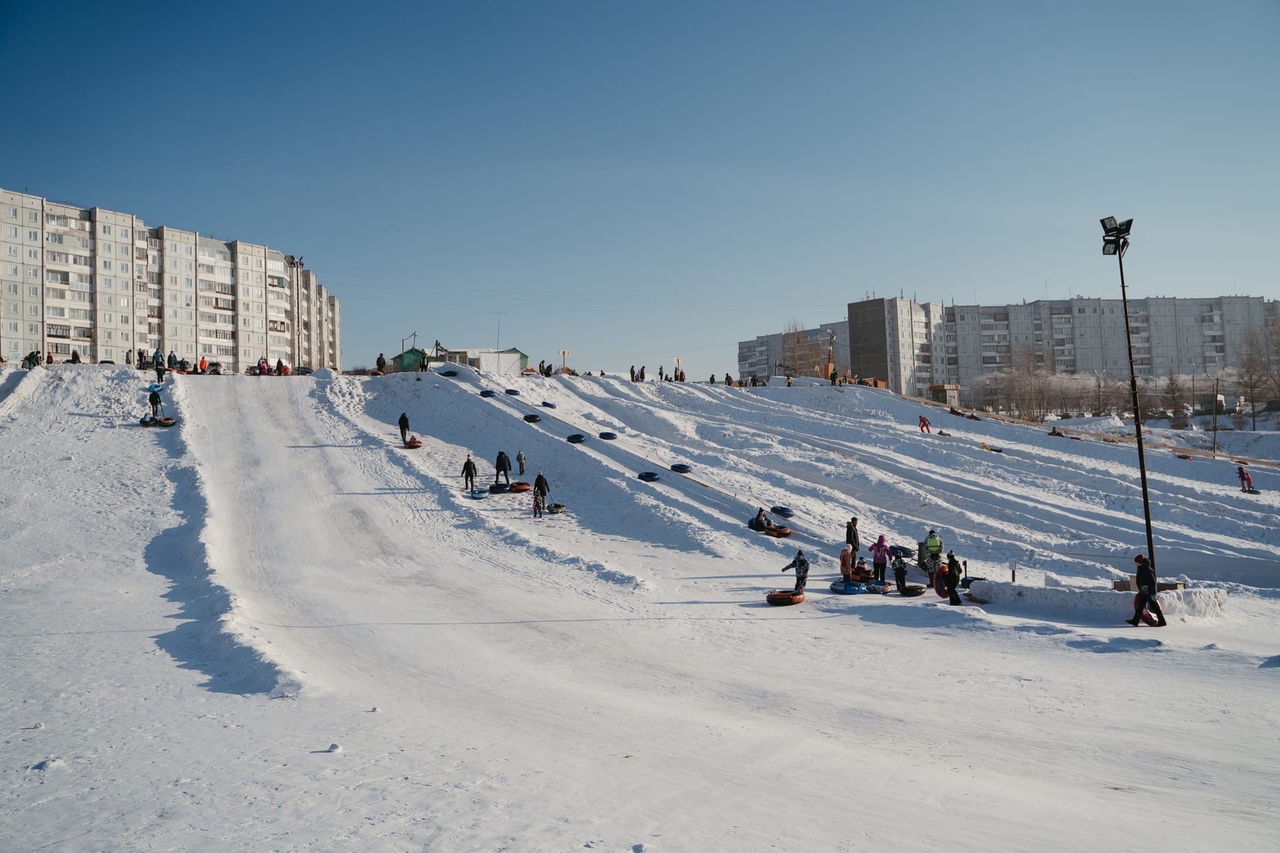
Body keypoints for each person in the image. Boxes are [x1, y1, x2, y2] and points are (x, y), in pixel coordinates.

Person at [1127, 554, 1167, 627]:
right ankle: (1135, 620)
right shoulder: (1141, 568)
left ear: (1139, 562)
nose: (1135, 564)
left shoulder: (1146, 569)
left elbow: (1152, 581)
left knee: (1154, 606)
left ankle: (1162, 621)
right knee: (1141, 605)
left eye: (1136, 562)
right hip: (1144, 591)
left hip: (1148, 591)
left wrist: (1152, 592)